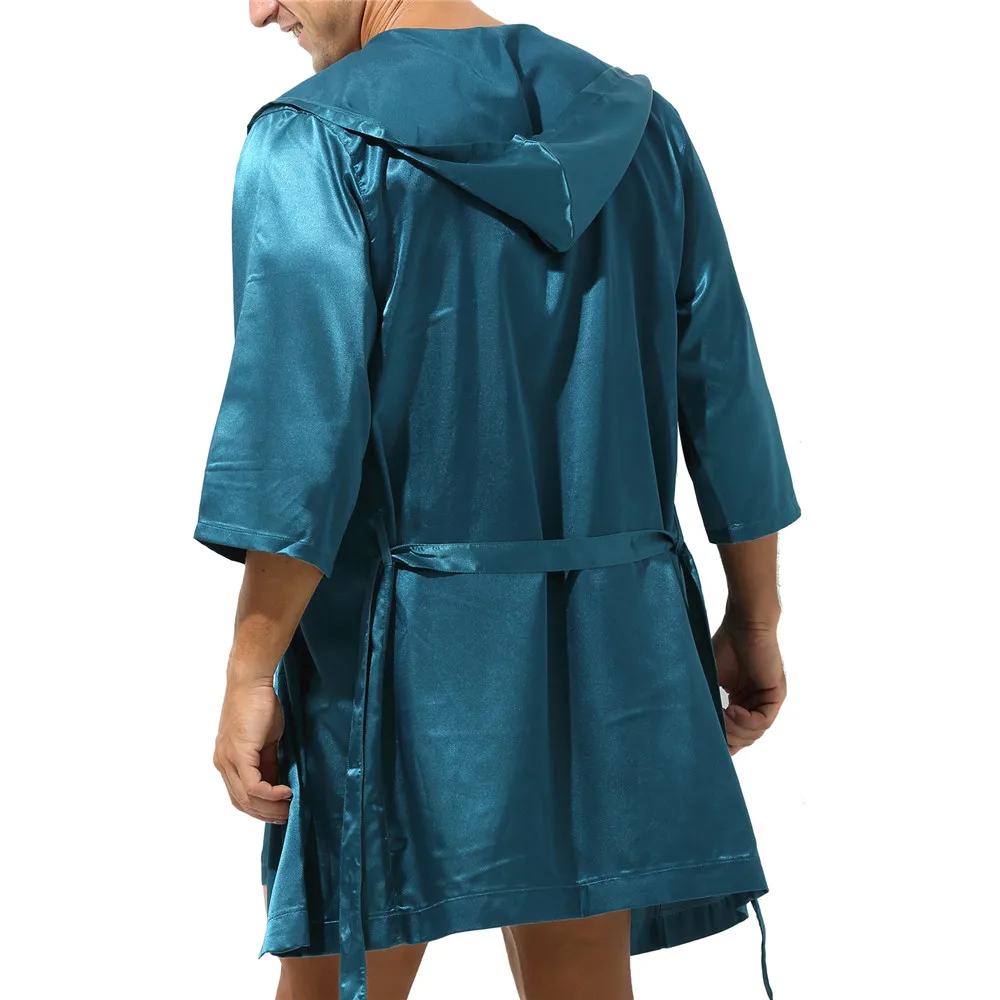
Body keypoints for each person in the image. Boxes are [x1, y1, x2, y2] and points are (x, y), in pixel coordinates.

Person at [193, 2, 801, 998]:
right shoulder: (640, 125)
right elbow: (724, 385)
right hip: (614, 636)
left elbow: (296, 435)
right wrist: (756, 613)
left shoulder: (317, 140)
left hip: (401, 656)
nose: (259, 11)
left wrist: (251, 665)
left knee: (343, 975)